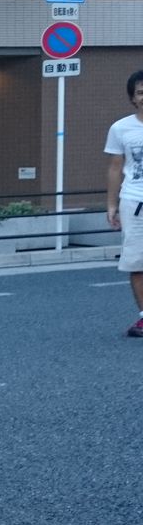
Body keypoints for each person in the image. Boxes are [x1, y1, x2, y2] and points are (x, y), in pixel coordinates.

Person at [105, 69, 143, 337]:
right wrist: (112, 205)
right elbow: (115, 167)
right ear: (132, 98)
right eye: (140, 92)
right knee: (137, 262)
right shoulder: (120, 128)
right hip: (134, 202)